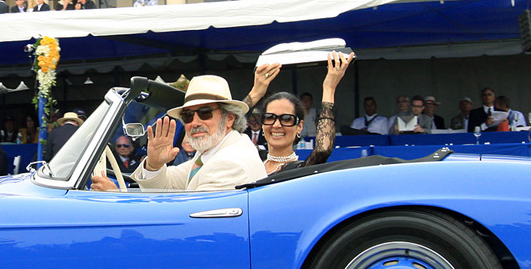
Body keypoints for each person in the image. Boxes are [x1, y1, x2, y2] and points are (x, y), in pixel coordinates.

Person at [99, 75, 264, 191]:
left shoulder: (228, 163)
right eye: (188, 116)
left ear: (229, 118)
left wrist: (116, 198)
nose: (195, 122)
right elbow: (169, 184)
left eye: (205, 112)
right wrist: (154, 164)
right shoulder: (216, 151)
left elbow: (189, 217)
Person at [246, 54, 353, 174]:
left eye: (286, 119)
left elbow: (322, 150)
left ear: (299, 127)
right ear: (263, 124)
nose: (276, 125)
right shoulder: (253, 160)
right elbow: (227, 125)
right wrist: (255, 93)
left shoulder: (299, 170)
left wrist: (329, 88)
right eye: (270, 117)